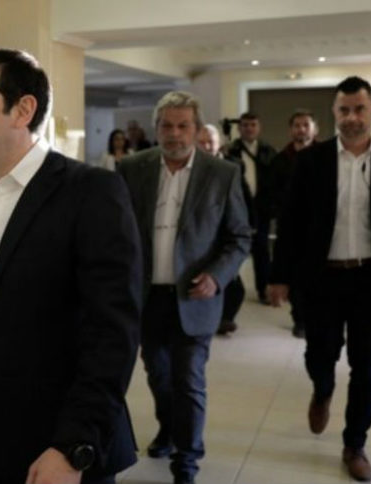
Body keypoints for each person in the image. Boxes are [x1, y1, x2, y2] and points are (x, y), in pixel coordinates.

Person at [0, 49, 142, 484]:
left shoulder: (91, 192)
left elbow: (112, 334)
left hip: (53, 440)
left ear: (23, 110)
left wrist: (73, 446)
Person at [268, 76, 371, 482]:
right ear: (334, 113)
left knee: (366, 364)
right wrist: (279, 276)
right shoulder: (312, 161)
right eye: (344, 110)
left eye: (359, 109)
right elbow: (291, 223)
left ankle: (355, 444)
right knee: (320, 356)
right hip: (321, 278)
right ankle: (322, 390)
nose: (352, 117)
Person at [119, 92, 251, 484]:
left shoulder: (222, 173)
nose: (174, 134)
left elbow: (239, 237)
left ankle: (187, 460)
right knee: (158, 376)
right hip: (147, 298)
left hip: (195, 297)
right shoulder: (131, 168)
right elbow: (117, 231)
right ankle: (169, 428)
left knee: (188, 380)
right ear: (156, 128)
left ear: (195, 129)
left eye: (183, 126)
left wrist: (216, 276)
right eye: (167, 125)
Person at [196, 123, 254, 336]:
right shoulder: (191, 167)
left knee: (233, 283)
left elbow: (244, 196)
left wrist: (250, 223)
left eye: (210, 141)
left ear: (219, 143)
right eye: (202, 142)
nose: (206, 146)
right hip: (203, 230)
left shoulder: (233, 166)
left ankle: (226, 318)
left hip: (228, 228)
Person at [269, 109, 319, 338]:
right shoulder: (280, 160)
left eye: (306, 125)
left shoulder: (326, 157)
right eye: (297, 125)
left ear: (314, 129)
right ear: (291, 130)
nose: (301, 129)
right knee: (296, 275)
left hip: (320, 226)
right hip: (291, 227)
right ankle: (300, 319)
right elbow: (273, 192)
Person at [227, 112, 277, 304]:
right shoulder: (231, 151)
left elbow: (274, 181)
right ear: (239, 128)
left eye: (253, 125)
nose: (249, 128)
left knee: (261, 250)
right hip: (237, 208)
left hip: (261, 208)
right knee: (231, 248)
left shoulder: (268, 151)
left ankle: (263, 290)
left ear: (259, 127)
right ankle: (229, 291)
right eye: (245, 125)